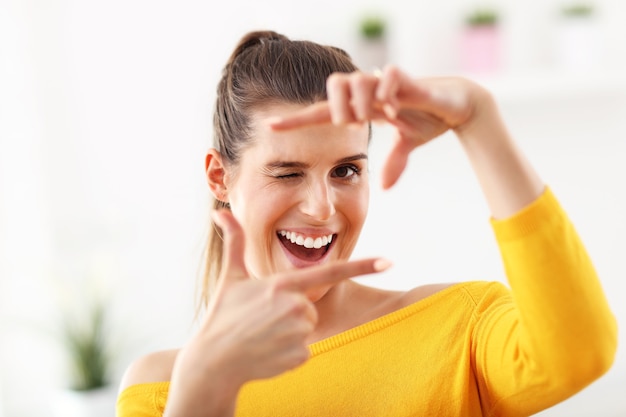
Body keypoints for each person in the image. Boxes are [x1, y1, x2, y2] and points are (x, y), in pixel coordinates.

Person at [116, 30, 617, 417]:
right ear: (219, 178)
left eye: (346, 170)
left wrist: (477, 119)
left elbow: (580, 352)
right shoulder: (162, 389)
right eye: (287, 173)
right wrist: (201, 390)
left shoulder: (458, 327)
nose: (321, 207)